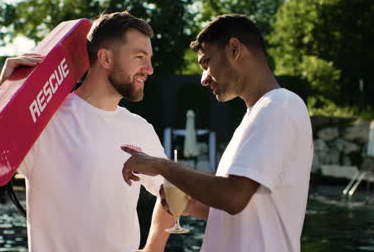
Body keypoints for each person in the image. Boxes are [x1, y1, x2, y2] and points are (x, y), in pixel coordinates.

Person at [121, 13, 314, 252]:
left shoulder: (278, 105)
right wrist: (192, 206)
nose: (204, 79)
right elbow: (241, 212)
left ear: (234, 49)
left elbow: (233, 198)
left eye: (206, 63)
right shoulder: (257, 115)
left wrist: (162, 166)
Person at [0, 12, 174, 251]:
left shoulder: (139, 128)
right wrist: (0, 97)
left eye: (149, 58)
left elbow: (170, 189)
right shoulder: (46, 119)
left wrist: (153, 247)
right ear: (105, 58)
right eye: (139, 57)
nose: (149, 69)